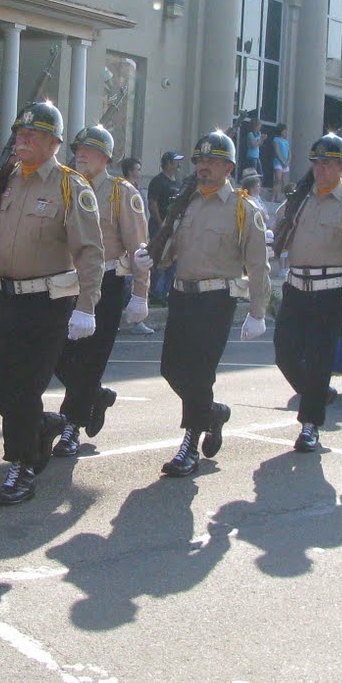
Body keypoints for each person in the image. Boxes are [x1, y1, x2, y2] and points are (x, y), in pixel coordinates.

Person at [0, 100, 103, 506]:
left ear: (54, 143)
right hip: (3, 297)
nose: (22, 141)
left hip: (47, 303)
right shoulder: (4, 181)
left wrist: (87, 306)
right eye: (19, 134)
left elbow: (90, 252)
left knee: (24, 387)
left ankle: (21, 466)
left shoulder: (71, 187)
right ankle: (39, 425)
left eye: (32, 135)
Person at [134, 130, 270, 478]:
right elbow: (169, 252)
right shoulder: (185, 202)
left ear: (228, 167)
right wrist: (153, 257)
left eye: (212, 161)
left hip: (216, 299)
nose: (204, 167)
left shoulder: (243, 208)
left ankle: (189, 445)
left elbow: (257, 265)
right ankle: (212, 413)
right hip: (182, 294)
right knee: (171, 368)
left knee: (199, 372)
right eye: (201, 161)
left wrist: (258, 312)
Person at [270, 134, 342, 453]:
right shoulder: (299, 199)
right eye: (316, 163)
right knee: (284, 352)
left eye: (328, 164)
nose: (321, 169)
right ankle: (317, 391)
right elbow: (278, 237)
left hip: (332, 292)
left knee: (318, 357)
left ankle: (310, 425)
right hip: (296, 286)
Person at [50, 125, 150, 457]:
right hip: (66, 281)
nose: (80, 154)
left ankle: (71, 425)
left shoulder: (121, 192)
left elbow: (138, 248)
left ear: (106, 157)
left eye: (89, 150)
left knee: (90, 358)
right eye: (78, 148)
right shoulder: (66, 184)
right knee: (57, 353)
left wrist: (141, 293)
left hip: (107, 283)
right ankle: (95, 396)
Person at [145, 150, 184, 304]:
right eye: (175, 161)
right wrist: (162, 224)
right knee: (159, 258)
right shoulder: (158, 181)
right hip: (160, 226)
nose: (178, 165)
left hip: (175, 227)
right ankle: (156, 292)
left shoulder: (178, 183)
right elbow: (152, 203)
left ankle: (166, 291)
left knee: (173, 259)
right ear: (168, 163)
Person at [269, 124, 290, 201]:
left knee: (282, 181)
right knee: (278, 180)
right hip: (278, 162)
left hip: (285, 163)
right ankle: (272, 198)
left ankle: (278, 197)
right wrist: (282, 161)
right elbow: (277, 151)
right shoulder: (276, 139)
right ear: (281, 131)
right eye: (284, 130)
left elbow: (289, 152)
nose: (286, 132)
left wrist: (287, 161)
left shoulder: (286, 141)